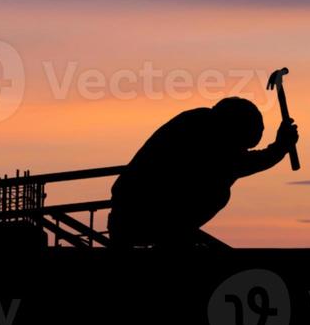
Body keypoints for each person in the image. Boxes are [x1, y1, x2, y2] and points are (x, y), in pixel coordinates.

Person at [108, 97, 298, 247]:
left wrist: (279, 147)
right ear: (234, 129)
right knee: (219, 190)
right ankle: (172, 239)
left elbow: (238, 161)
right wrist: (280, 147)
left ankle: (173, 237)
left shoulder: (195, 120)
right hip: (144, 217)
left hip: (129, 212)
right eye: (241, 145)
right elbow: (239, 163)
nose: (242, 151)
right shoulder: (207, 135)